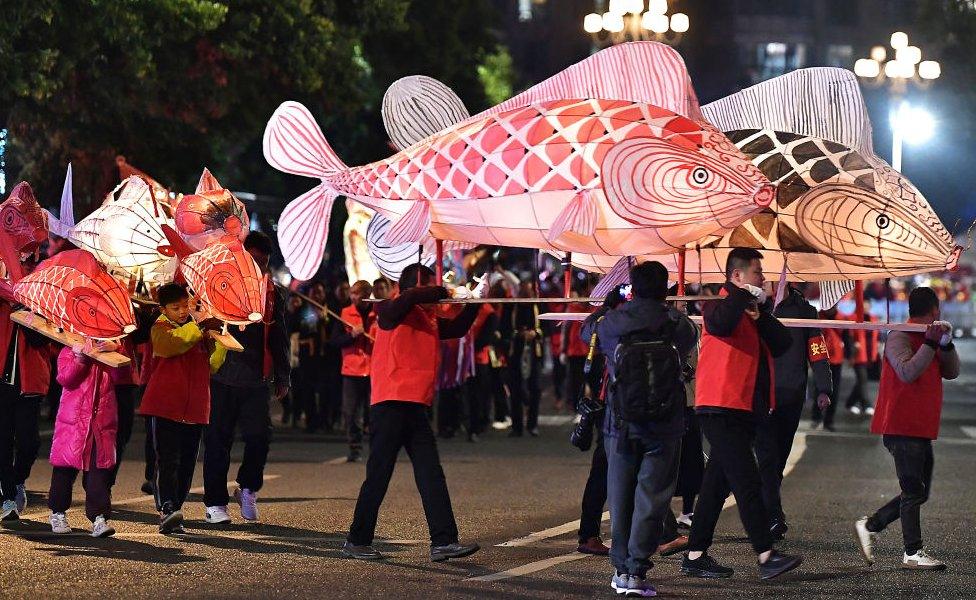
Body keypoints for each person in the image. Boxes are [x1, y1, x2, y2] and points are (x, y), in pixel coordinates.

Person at [343, 263, 483, 562]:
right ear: (414, 287)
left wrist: (475, 302)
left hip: (415, 404)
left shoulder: (427, 316)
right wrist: (438, 291)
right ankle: (357, 540)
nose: (435, 294)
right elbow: (402, 303)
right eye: (428, 286)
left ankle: (443, 541)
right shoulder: (390, 309)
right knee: (379, 475)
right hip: (390, 403)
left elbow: (457, 328)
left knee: (431, 474)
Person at [681, 247, 801, 581]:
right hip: (721, 407)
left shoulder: (751, 310)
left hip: (742, 409)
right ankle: (765, 554)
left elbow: (782, 344)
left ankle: (694, 555)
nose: (763, 278)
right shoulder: (721, 305)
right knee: (748, 481)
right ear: (737, 276)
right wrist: (741, 296)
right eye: (757, 273)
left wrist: (761, 310)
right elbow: (718, 325)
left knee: (716, 486)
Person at [580, 263, 698, 597]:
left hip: (620, 421)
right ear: (665, 288)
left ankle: (621, 569)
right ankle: (635, 571)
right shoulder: (675, 323)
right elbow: (692, 338)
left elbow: (585, 333)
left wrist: (606, 305)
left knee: (620, 496)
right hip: (665, 424)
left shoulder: (613, 322)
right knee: (653, 498)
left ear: (631, 286)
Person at [855, 287, 959, 570]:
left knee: (920, 491)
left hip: (920, 426)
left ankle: (871, 525)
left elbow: (952, 372)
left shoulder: (933, 338)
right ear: (935, 310)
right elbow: (908, 371)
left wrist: (946, 345)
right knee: (913, 490)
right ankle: (912, 552)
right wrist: (929, 344)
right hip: (902, 424)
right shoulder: (899, 336)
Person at [204, 231, 290, 524]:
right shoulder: (220, 285)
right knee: (217, 440)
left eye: (263, 263)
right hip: (221, 375)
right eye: (253, 261)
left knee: (259, 438)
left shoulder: (273, 292)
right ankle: (215, 504)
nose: (259, 268)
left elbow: (280, 336)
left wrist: (283, 375)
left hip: (255, 378)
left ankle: (248, 487)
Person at [140, 283, 225, 533]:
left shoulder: (199, 329)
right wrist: (199, 328)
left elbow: (213, 366)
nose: (181, 311)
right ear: (163, 309)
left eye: (184, 306)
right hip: (165, 405)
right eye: (174, 307)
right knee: (167, 460)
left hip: (196, 407)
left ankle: (175, 509)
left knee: (187, 463)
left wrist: (219, 339)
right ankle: (166, 507)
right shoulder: (160, 328)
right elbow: (170, 345)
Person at [757, 283, 832, 541]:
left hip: (791, 394)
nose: (766, 283)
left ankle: (767, 514)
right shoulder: (755, 308)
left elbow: (817, 350)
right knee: (765, 459)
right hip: (759, 394)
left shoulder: (805, 312)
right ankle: (773, 516)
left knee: (777, 459)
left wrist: (824, 388)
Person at [48, 340, 120, 537]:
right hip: (73, 421)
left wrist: (116, 349)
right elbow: (65, 378)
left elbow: (122, 377)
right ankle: (58, 512)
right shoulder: (68, 349)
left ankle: (99, 518)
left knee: (99, 472)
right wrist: (80, 358)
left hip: (100, 422)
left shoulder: (111, 351)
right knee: (64, 470)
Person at [0, 289, 53, 520]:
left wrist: (27, 312)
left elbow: (43, 340)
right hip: (2, 386)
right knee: (2, 442)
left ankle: (18, 479)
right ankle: (8, 497)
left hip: (29, 384)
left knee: (29, 442)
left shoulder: (41, 301)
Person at [331, 280, 376, 462]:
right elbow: (334, 341)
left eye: (357, 293)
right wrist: (351, 336)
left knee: (373, 413)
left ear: (366, 294)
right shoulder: (344, 313)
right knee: (350, 412)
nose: (353, 297)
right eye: (352, 293)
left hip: (374, 369)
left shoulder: (378, 313)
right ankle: (354, 447)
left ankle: (377, 448)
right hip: (352, 370)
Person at [504, 280, 543, 437]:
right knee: (515, 390)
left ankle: (532, 425)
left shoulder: (538, 306)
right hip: (516, 353)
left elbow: (546, 327)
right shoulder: (512, 308)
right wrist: (519, 334)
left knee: (535, 389)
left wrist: (535, 334)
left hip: (534, 353)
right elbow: (505, 329)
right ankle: (517, 426)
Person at [811, 306, 845, 431]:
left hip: (836, 359)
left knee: (834, 392)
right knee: (818, 389)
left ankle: (829, 421)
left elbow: (847, 337)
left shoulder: (842, 318)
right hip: (820, 357)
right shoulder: (817, 316)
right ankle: (816, 418)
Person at [845, 304, 878, 416]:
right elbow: (848, 338)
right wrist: (850, 355)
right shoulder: (852, 318)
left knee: (861, 380)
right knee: (862, 380)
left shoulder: (873, 318)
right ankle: (866, 405)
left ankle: (850, 403)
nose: (866, 307)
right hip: (858, 355)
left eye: (868, 305)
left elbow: (875, 337)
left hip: (870, 355)